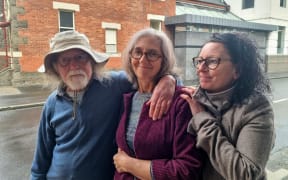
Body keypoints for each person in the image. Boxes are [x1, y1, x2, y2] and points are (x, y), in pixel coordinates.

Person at [30, 30, 177, 180]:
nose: (74, 65)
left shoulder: (114, 85)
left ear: (92, 61)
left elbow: (147, 73)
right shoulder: (52, 103)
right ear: (56, 67)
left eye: (80, 57)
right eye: (64, 60)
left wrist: (169, 79)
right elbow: (40, 163)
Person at [181, 32, 275, 180]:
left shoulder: (256, 108)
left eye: (212, 61)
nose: (201, 68)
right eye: (199, 61)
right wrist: (167, 80)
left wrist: (202, 119)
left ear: (237, 70)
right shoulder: (194, 98)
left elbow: (245, 174)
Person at [113, 28, 204, 180]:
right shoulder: (127, 99)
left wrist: (129, 164)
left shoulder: (181, 102)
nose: (143, 59)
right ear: (130, 57)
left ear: (164, 60)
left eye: (152, 54)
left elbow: (186, 170)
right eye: (138, 52)